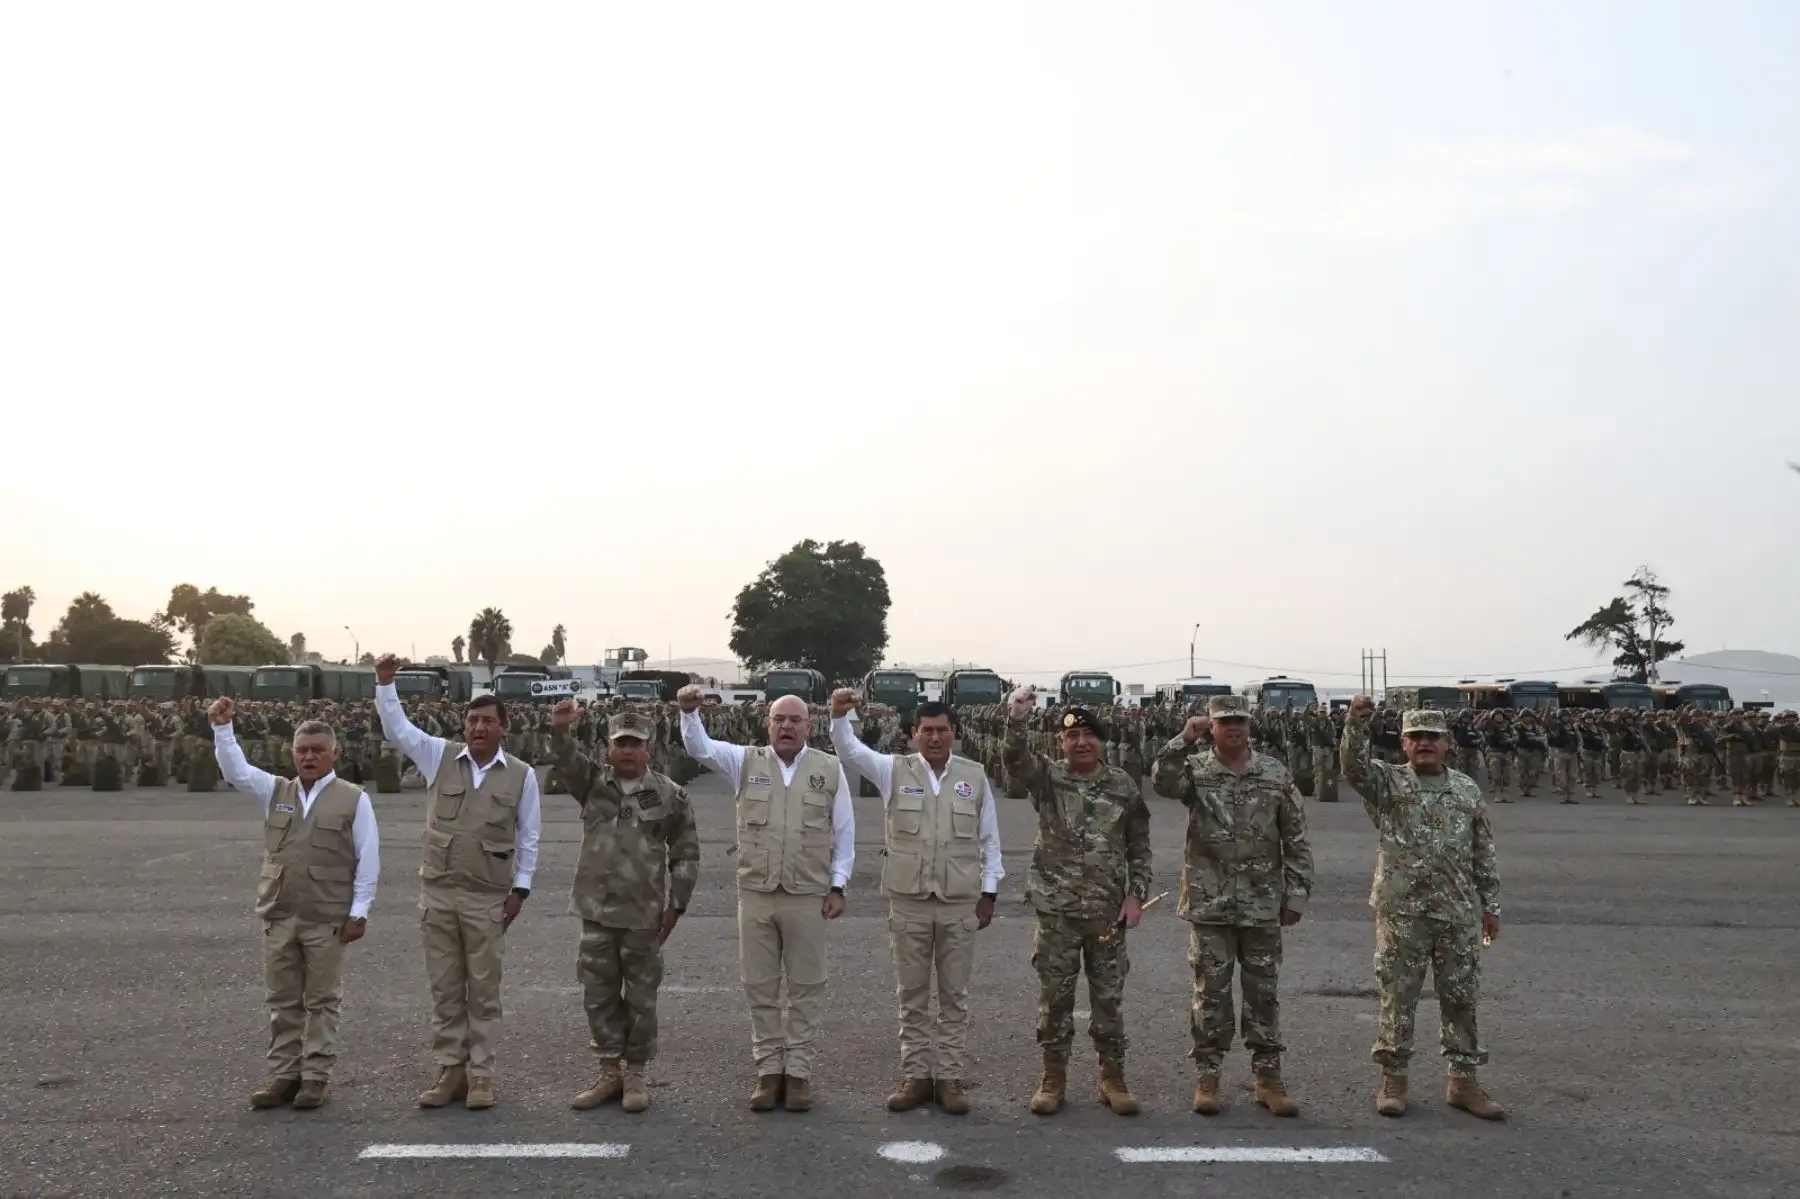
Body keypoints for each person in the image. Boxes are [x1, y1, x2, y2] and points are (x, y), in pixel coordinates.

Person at [374, 654, 542, 1111]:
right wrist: (386, 684)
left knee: (483, 990)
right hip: (439, 894)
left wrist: (520, 890)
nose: (478, 727)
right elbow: (398, 731)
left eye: (488, 721)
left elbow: (528, 836)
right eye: (472, 720)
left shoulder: (521, 775)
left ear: (503, 728)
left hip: (487, 897)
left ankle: (481, 1074)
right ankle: (451, 1070)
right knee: (446, 989)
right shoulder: (439, 757)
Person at [677, 683, 854, 1113]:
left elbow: (844, 831)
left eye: (795, 720)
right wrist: (689, 713)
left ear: (809, 726)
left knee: (807, 986)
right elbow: (700, 747)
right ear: (767, 724)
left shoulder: (829, 769)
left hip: (807, 893)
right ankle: (769, 1071)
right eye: (779, 719)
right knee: (759, 985)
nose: (786, 726)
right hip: (756, 892)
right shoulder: (744, 761)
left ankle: (798, 1074)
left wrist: (838, 885)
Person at [829, 690, 1003, 1116]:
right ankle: (916, 1076)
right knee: (912, 995)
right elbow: (849, 750)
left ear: (954, 732)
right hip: (909, 902)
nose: (935, 737)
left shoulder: (974, 776)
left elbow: (990, 840)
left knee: (954, 995)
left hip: (959, 902)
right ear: (913, 734)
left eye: (942, 730)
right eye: (927, 730)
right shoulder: (893, 770)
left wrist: (989, 892)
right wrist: (839, 716)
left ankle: (950, 1079)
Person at [1340, 699, 1504, 1120]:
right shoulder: (1388, 782)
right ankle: (1393, 1079)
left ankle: (1463, 1081)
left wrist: (1491, 905)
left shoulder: (1466, 789)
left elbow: (1483, 851)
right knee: (1398, 995)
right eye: (1416, 737)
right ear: (1404, 743)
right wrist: (1356, 722)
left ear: (1447, 744)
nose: (1425, 743)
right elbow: (1353, 768)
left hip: (1457, 911)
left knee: (1461, 997)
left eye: (1433, 737)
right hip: (1403, 912)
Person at [211, 698, 378, 1111]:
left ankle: (316, 1077)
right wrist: (223, 729)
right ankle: (283, 1075)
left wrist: (359, 912)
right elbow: (236, 771)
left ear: (334, 753)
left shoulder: (354, 799)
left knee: (322, 1001)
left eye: (318, 750)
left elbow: (368, 859)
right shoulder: (275, 791)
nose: (309, 757)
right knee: (282, 1001)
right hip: (281, 914)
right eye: (302, 750)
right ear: (292, 753)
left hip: (327, 918)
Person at [1151, 695, 1313, 1117]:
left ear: (1249, 725)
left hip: (1262, 903)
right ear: (1212, 728)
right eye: (1224, 722)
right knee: (1211, 993)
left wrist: (1296, 894)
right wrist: (1182, 740)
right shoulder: (1196, 770)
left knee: (1263, 993)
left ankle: (1268, 1077)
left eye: (1240, 720)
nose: (1234, 727)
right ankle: (1208, 1076)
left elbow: (1295, 837)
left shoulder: (1274, 773)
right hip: (1210, 902)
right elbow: (1162, 782)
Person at [1002, 686, 1152, 1117]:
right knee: (1055, 1000)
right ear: (1061, 742)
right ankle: (1053, 1078)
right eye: (1072, 736)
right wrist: (1016, 717)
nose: (1081, 742)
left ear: (1101, 741)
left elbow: (1139, 845)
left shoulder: (1122, 785)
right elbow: (1015, 759)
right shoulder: (1049, 778)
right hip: (1057, 912)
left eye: (1089, 735)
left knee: (1108, 1000)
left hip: (1107, 914)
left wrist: (1135, 895)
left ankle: (1113, 1077)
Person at [551, 700, 700, 1114]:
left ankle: (635, 1073)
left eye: (635, 743)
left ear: (649, 748)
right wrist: (560, 729)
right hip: (597, 911)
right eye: (621, 743)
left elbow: (686, 853)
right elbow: (565, 758)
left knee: (640, 999)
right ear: (609, 748)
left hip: (643, 915)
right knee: (598, 995)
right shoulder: (592, 784)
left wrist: (677, 906)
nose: (628, 750)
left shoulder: (670, 795)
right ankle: (608, 1072)